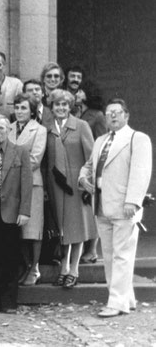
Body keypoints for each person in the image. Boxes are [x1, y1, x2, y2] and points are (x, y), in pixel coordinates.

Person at [79, 98, 152, 318]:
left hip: (124, 205)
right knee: (110, 256)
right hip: (101, 204)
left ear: (126, 115)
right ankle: (125, 298)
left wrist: (133, 201)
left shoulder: (136, 139)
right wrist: (83, 177)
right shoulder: (101, 140)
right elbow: (90, 165)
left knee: (123, 256)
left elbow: (141, 171)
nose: (112, 116)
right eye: (109, 112)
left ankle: (116, 302)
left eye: (117, 112)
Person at [0, 113, 32, 313]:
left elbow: (26, 184)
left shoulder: (20, 151)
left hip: (11, 211)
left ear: (9, 130)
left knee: (9, 257)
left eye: (2, 128)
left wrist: (25, 211)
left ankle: (9, 302)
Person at [45, 89, 95, 289]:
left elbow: (92, 158)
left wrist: (87, 185)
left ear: (70, 106)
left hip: (76, 185)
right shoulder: (46, 128)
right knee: (62, 229)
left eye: (65, 105)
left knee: (77, 227)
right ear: (52, 107)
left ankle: (73, 269)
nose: (61, 108)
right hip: (55, 185)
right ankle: (63, 267)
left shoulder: (81, 126)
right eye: (57, 104)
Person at [8, 94, 47, 286]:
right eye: (17, 107)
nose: (20, 111)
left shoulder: (39, 130)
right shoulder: (9, 128)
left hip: (32, 184)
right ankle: (24, 265)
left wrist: (9, 168)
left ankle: (35, 268)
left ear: (31, 110)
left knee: (33, 229)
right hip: (11, 186)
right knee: (18, 229)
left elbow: (34, 159)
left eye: (23, 108)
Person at [75, 81, 107, 264]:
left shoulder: (98, 115)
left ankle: (92, 250)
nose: (76, 94)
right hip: (79, 164)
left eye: (79, 91)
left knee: (92, 207)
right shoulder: (79, 112)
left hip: (91, 165)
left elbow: (101, 141)